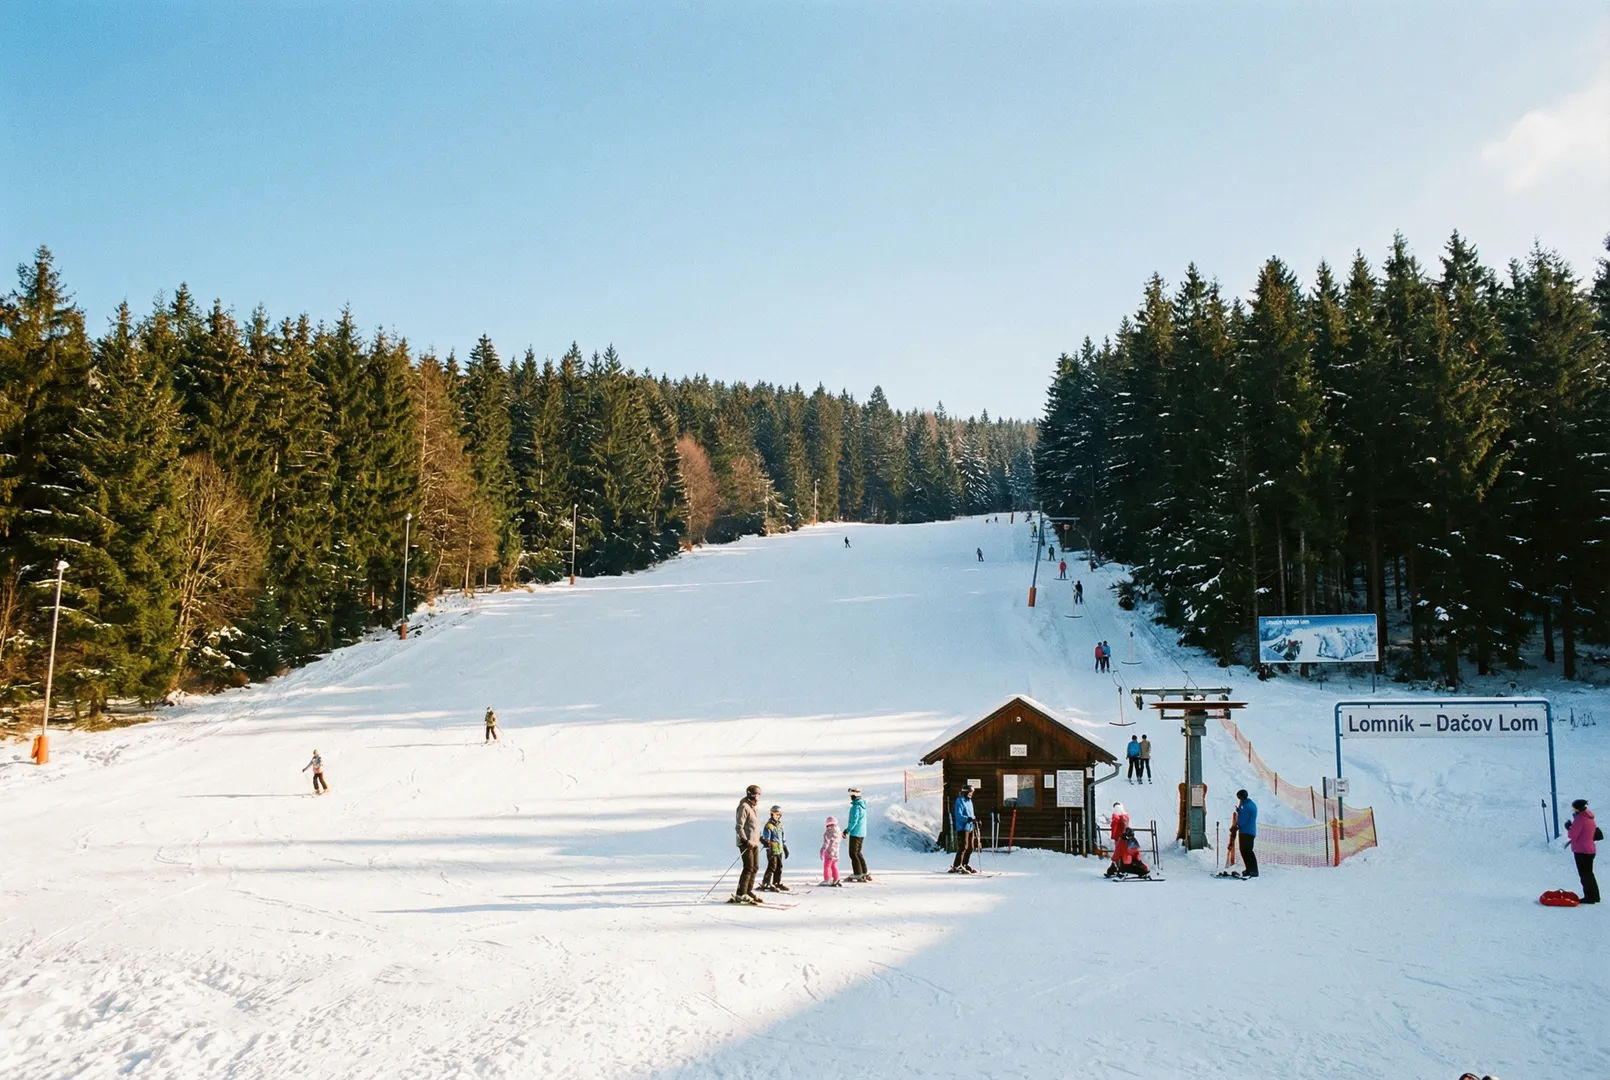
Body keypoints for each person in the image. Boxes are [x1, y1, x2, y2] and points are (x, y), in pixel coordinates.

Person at [732, 784, 764, 903]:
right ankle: (740, 894)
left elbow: (755, 827)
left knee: (755, 867)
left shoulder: (754, 808)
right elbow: (739, 826)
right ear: (751, 794)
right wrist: (745, 840)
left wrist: (762, 839)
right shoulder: (744, 807)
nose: (758, 797)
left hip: (754, 842)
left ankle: (748, 891)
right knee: (748, 867)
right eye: (757, 794)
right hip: (746, 842)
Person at [1567, 798, 1600, 904]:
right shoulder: (1590, 817)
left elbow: (1572, 835)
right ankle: (1595, 895)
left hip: (1581, 850)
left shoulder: (1580, 819)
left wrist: (1569, 828)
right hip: (1590, 849)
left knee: (1584, 874)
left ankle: (1589, 896)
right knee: (1589, 873)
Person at [760, 805, 790, 892]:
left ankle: (776, 882)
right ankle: (766, 883)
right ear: (771, 814)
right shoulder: (769, 825)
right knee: (772, 866)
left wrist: (784, 846)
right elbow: (766, 837)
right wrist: (767, 845)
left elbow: (783, 836)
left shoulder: (780, 825)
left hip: (779, 848)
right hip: (772, 849)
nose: (778, 816)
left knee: (779, 866)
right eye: (776, 814)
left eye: (779, 815)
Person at [950, 784, 979, 873]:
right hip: (962, 827)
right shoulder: (960, 801)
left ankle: (965, 864)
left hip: (970, 826)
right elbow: (958, 815)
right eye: (970, 792)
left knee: (971, 847)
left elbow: (971, 814)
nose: (971, 794)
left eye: (972, 792)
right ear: (965, 792)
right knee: (963, 846)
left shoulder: (970, 801)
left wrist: (975, 820)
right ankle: (957, 865)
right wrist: (968, 819)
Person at [844, 787, 871, 881]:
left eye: (851, 796)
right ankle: (864, 871)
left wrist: (847, 830)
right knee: (858, 852)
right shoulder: (862, 805)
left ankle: (858, 873)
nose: (850, 797)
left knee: (853, 853)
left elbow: (854, 821)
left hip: (855, 833)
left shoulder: (855, 807)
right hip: (862, 832)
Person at [1235, 789, 1259, 878]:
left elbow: (1241, 821)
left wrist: (1236, 826)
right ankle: (1249, 869)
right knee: (1246, 851)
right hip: (1249, 831)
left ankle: (1253, 870)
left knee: (1247, 851)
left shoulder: (1247, 807)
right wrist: (1239, 809)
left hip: (1246, 831)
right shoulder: (1250, 805)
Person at [820, 815, 843, 885]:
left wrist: (822, 851)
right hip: (836, 853)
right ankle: (836, 878)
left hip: (829, 853)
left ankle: (827, 879)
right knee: (834, 866)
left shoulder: (828, 833)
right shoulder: (838, 832)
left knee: (827, 866)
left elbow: (826, 843)